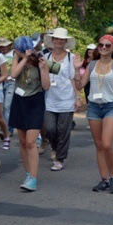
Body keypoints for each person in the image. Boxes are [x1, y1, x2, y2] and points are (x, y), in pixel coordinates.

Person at [73, 35, 113, 193]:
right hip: (94, 107)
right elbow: (80, 85)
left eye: (107, 45)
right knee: (98, 145)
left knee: (107, 144)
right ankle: (104, 179)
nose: (103, 47)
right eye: (101, 45)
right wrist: (77, 69)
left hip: (111, 106)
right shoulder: (91, 65)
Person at [9, 36, 51, 191]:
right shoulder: (16, 58)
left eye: (17, 50)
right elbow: (13, 75)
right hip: (19, 101)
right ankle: (28, 173)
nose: (15, 52)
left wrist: (43, 69)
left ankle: (33, 178)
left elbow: (46, 86)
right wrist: (22, 59)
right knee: (22, 141)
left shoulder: (40, 61)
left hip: (35, 102)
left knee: (30, 142)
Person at [42, 28, 81, 171]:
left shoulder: (70, 58)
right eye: (56, 39)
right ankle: (54, 147)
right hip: (50, 98)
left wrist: (77, 97)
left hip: (66, 98)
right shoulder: (46, 57)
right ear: (52, 40)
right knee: (50, 128)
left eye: (61, 39)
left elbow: (72, 78)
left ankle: (60, 158)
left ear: (66, 41)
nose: (58, 41)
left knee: (63, 130)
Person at [0, 38, 15, 137]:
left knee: (7, 106)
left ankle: (7, 129)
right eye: (1, 46)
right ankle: (7, 128)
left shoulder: (14, 55)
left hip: (11, 82)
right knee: (3, 107)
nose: (2, 48)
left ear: (9, 46)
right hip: (1, 82)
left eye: (4, 46)